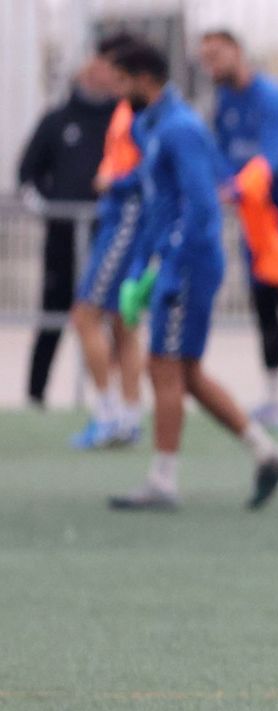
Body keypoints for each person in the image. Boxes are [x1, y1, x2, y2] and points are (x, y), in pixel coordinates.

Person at [105, 41, 278, 511]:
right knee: (184, 372)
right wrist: (139, 268)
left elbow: (202, 205)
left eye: (122, 82)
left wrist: (168, 264)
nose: (117, 92)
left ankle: (163, 480)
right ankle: (267, 452)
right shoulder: (158, 126)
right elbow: (158, 202)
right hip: (176, 263)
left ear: (144, 78)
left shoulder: (179, 128)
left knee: (163, 366)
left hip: (187, 266)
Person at [198, 30, 278, 432]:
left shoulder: (272, 98)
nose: (211, 65)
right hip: (256, 215)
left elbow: (268, 160)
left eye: (217, 55)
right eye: (206, 58)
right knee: (263, 303)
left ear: (237, 51)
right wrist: (217, 184)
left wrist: (235, 187)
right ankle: (272, 398)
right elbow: (219, 154)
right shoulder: (224, 102)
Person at [20, 33, 142, 444]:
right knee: (68, 314)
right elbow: (27, 174)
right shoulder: (59, 119)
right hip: (67, 238)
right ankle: (46, 398)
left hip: (114, 234)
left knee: (109, 320)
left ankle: (120, 412)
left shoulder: (131, 119)